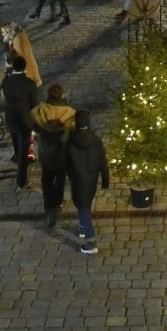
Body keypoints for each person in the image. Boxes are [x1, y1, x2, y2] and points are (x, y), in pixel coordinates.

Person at [31, 84, 77, 229]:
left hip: (45, 151)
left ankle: (48, 207)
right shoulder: (69, 112)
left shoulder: (41, 110)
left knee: (46, 179)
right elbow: (74, 134)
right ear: (62, 95)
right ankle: (57, 203)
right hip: (62, 152)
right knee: (61, 178)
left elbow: (35, 126)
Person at [66, 109, 110, 255]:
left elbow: (66, 162)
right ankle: (83, 229)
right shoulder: (96, 140)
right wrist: (105, 180)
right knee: (86, 204)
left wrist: (69, 175)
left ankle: (91, 243)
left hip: (78, 179)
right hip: (91, 179)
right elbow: (103, 161)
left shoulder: (71, 141)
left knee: (83, 208)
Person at [0, 54, 40, 187]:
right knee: (23, 152)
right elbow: (35, 104)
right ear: (25, 67)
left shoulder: (6, 82)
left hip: (11, 119)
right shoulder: (29, 83)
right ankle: (21, 181)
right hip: (24, 121)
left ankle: (17, 160)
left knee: (17, 146)